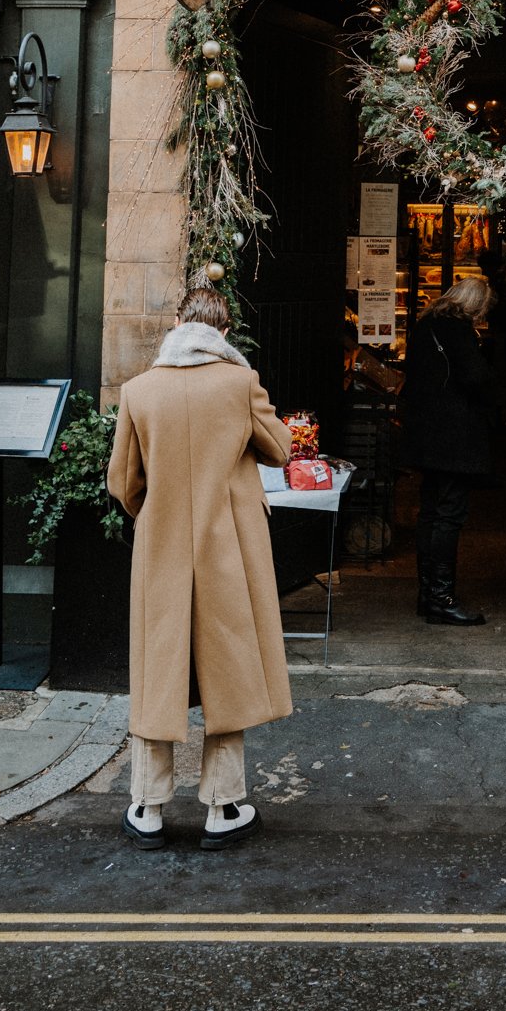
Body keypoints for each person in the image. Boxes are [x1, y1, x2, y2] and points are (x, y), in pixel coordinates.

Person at [107, 285, 294, 850]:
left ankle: (146, 805)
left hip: (161, 546)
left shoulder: (139, 390)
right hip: (226, 547)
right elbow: (280, 449)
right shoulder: (240, 382)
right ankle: (224, 805)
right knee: (228, 664)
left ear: (177, 325)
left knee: (157, 666)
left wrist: (158, 515)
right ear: (225, 333)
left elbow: (122, 481)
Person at [400, 276, 498, 627]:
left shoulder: (426, 324)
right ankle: (441, 599)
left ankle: (427, 596)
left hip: (426, 434)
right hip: (453, 437)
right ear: (475, 305)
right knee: (449, 515)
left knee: (430, 512)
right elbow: (475, 377)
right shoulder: (458, 329)